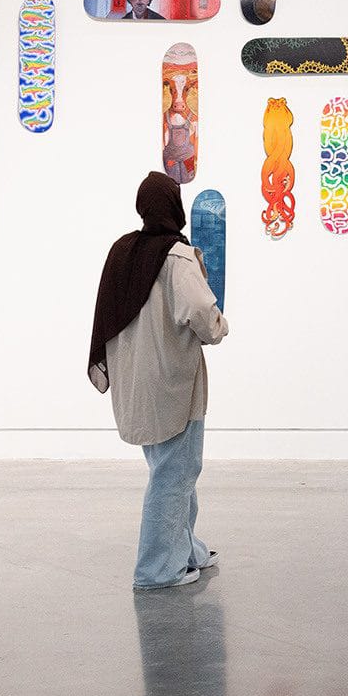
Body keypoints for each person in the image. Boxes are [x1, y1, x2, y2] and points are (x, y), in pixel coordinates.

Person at [89, 173, 229, 589]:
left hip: (138, 384)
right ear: (174, 207)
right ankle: (156, 570)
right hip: (172, 384)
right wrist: (221, 327)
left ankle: (187, 551)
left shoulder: (123, 252)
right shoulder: (177, 258)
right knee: (175, 475)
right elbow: (203, 314)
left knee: (171, 469)